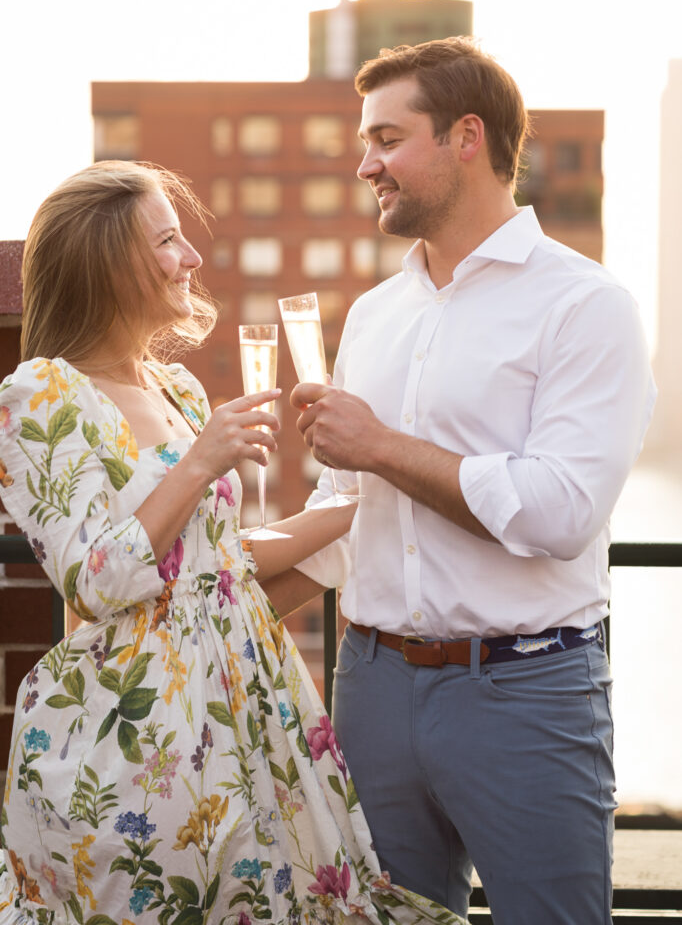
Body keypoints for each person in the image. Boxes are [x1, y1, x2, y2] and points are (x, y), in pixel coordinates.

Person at [0, 160, 467, 925]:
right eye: (169, 240)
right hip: (141, 743)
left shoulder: (175, 389)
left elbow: (223, 563)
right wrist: (200, 461)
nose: (192, 259)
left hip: (253, 712)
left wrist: (371, 489)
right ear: (111, 261)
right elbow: (93, 582)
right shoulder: (38, 397)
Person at [291, 38, 657, 925]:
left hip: (525, 696)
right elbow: (348, 508)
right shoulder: (375, 316)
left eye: (386, 138)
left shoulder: (584, 305)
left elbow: (561, 510)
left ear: (466, 136)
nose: (363, 164)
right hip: (370, 687)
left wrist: (377, 445)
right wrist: (215, 577)